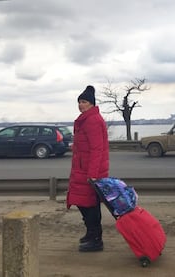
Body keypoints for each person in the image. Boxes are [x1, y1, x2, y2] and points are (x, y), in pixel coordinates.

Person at [67, 85, 109, 252]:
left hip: (90, 172)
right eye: (79, 102)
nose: (80, 104)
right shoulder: (86, 119)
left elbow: (97, 149)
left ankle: (96, 239)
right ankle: (91, 234)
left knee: (89, 204)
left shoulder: (92, 120)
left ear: (92, 104)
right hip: (82, 169)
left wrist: (92, 174)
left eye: (84, 101)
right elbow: (87, 145)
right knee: (84, 202)